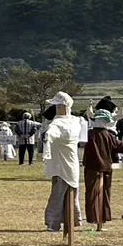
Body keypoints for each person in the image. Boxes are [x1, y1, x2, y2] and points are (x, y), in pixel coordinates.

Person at [42, 92, 87, 232]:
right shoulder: (73, 121)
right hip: (63, 162)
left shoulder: (68, 122)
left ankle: (57, 221)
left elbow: (53, 132)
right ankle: (64, 220)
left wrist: (48, 137)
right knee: (63, 191)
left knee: (61, 192)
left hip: (66, 161)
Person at [84, 109, 123, 230]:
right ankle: (100, 220)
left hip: (91, 167)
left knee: (92, 193)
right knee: (104, 193)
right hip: (105, 167)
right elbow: (122, 147)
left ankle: (94, 220)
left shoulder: (89, 135)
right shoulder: (109, 136)